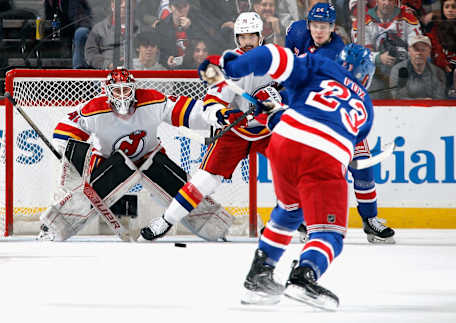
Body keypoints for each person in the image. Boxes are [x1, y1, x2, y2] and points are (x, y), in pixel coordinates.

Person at [201, 42, 375, 309]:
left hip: (284, 142)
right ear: (366, 75)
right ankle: (305, 275)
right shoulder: (367, 105)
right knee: (329, 232)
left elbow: (272, 55)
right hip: (325, 154)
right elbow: (336, 130)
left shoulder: (322, 66)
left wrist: (232, 66)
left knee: (290, 209)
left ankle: (259, 275)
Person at [38, 67, 221, 241]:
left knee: (180, 188)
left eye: (126, 90)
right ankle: (53, 228)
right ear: (108, 92)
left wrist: (216, 116)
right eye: (117, 91)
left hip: (149, 157)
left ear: (134, 90)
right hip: (107, 161)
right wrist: (66, 150)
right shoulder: (94, 109)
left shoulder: (152, 101)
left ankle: (215, 226)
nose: (123, 95)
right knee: (86, 197)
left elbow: (187, 110)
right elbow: (66, 129)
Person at [139, 12, 278, 241]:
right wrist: (222, 115)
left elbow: (293, 89)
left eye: (251, 36)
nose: (247, 42)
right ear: (236, 39)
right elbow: (211, 105)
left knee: (296, 170)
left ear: (260, 36)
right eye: (242, 37)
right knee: (203, 180)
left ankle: (288, 223)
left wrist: (275, 101)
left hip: (269, 130)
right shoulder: (230, 63)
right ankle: (166, 221)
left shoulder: (276, 59)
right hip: (236, 131)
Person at [286, 2, 395, 244]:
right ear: (308, 25)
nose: (319, 31)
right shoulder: (295, 32)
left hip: (339, 115)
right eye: (315, 26)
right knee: (308, 171)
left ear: (332, 28)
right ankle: (301, 219)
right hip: (310, 115)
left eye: (324, 27)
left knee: (362, 166)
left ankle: (370, 220)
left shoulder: (335, 51)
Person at [351, 0, 422, 99]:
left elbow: (418, 46)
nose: (386, 3)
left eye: (390, 0)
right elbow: (360, 54)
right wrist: (379, 58)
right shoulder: (362, 21)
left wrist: (404, 54)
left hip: (404, 69)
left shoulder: (408, 17)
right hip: (376, 72)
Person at [155, 0, 217, 68]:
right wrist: (167, 59)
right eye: (177, 6)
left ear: (189, 6)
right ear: (170, 7)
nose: (181, 10)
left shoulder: (199, 21)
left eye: (184, 6)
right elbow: (160, 52)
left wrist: (190, 28)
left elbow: (209, 43)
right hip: (174, 68)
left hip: (196, 66)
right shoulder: (162, 27)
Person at [85, 0, 142, 69]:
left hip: (137, 74)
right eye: (120, 2)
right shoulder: (99, 28)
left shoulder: (142, 29)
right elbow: (90, 53)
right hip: (107, 74)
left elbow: (152, 51)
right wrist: (107, 64)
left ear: (134, 5)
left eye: (127, 2)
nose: (124, 5)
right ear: (112, 5)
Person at [389, 34, 447, 99]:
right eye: (416, 49)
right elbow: (397, 95)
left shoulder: (438, 72)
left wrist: (430, 103)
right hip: (406, 108)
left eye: (423, 49)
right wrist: (420, 103)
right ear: (409, 50)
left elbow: (440, 97)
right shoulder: (398, 70)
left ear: (429, 51)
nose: (419, 53)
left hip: (431, 108)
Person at [426, 0, 456, 98]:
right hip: (442, 65)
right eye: (447, 7)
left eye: (453, 7)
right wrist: (444, 63)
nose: (450, 10)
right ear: (442, 10)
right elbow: (435, 48)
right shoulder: (435, 27)